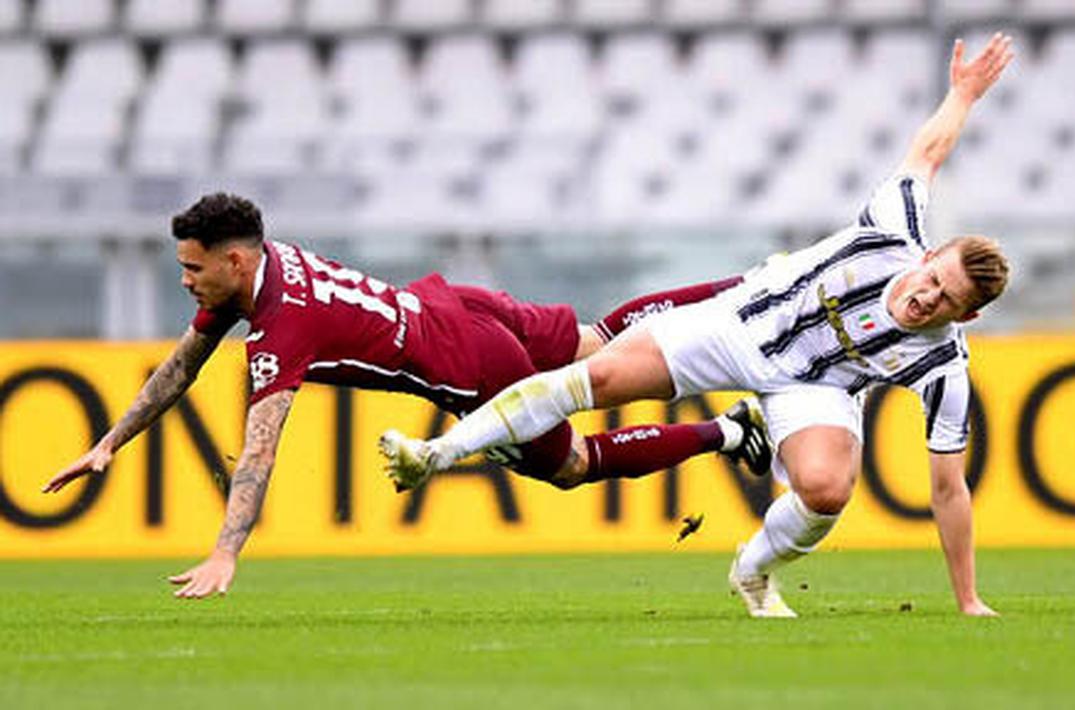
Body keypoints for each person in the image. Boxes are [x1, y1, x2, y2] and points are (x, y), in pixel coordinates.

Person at [377, 33, 1016, 618]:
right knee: (591, 373)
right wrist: (962, 94)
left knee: (826, 491)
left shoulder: (943, 366)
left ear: (968, 315)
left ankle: (753, 570)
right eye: (934, 279)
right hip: (738, 324)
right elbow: (929, 151)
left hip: (815, 390)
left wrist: (968, 600)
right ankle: (435, 455)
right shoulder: (889, 229)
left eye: (947, 301)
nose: (927, 299)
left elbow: (947, 486)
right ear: (929, 255)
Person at [41, 194, 771, 599]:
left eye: (193, 268)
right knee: (602, 333)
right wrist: (109, 442)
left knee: (573, 462)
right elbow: (182, 365)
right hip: (458, 304)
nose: (185, 281)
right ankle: (753, 284)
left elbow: (259, 450)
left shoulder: (282, 325)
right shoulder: (266, 267)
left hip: (475, 368)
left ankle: (731, 433)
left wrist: (226, 551)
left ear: (233, 260)